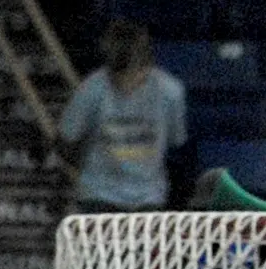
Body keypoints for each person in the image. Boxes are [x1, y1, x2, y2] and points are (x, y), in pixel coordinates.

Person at [56, 19, 191, 217]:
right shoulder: (91, 89)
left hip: (148, 197)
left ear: (147, 66)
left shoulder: (170, 92)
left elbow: (177, 139)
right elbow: (64, 140)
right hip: (99, 196)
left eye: (134, 74)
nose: (127, 84)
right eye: (119, 76)